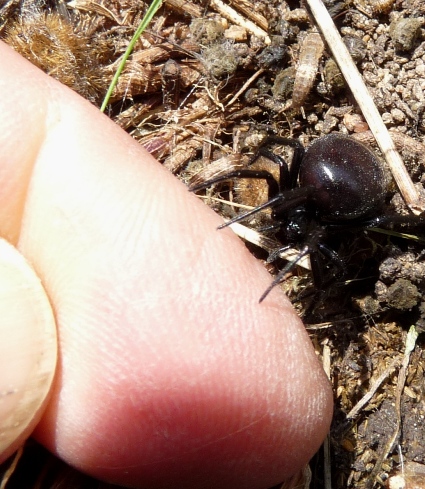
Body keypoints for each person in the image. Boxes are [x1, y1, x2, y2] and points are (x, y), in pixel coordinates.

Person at [0, 41, 332, 488]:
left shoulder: (315, 222)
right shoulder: (290, 191)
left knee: (321, 234)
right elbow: (280, 152)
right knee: (277, 169)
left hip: (342, 188)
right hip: (323, 172)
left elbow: (313, 223)